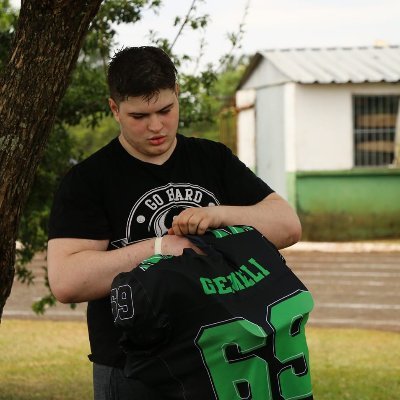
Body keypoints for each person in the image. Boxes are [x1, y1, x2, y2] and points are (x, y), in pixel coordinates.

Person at [47, 46, 302, 400]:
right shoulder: (88, 179)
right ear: (114, 109)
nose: (156, 126)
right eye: (139, 115)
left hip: (220, 359)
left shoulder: (212, 159)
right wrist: (160, 248)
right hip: (133, 371)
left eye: (165, 110)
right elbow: (66, 281)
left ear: (178, 95)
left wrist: (219, 215)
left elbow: (288, 225)